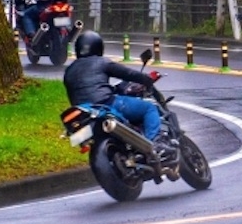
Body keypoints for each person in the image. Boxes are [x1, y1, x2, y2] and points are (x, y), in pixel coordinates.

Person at [63, 30, 175, 162]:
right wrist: (147, 79)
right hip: (105, 104)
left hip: (84, 112)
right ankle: (154, 145)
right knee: (149, 108)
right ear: (98, 46)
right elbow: (128, 74)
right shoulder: (101, 62)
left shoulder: (69, 71)